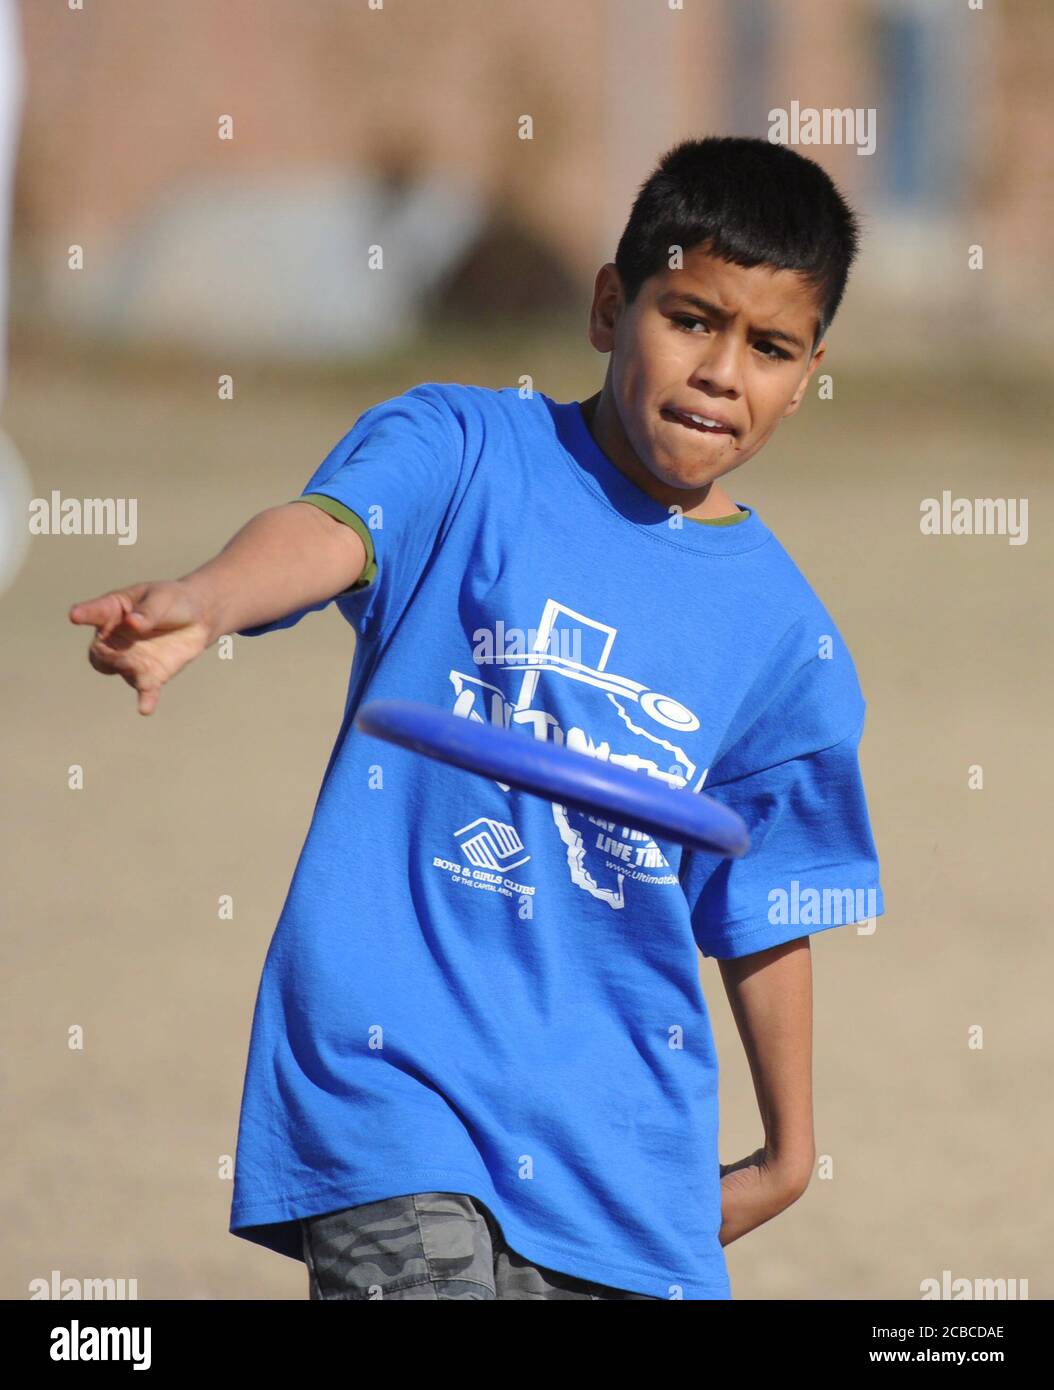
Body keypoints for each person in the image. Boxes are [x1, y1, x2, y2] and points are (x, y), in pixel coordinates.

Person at [69, 135, 884, 1300]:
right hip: (395, 1079)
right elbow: (332, 528)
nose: (721, 371)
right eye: (690, 317)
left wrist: (790, 1153)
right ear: (611, 306)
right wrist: (209, 599)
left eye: (768, 347)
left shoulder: (782, 637)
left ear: (807, 373)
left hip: (618, 1144)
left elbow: (764, 896)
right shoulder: (462, 448)